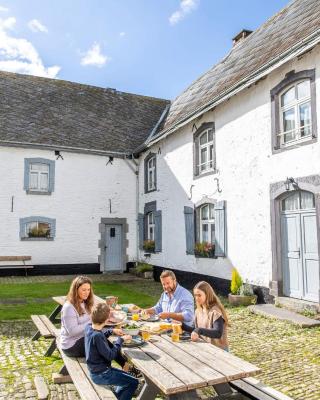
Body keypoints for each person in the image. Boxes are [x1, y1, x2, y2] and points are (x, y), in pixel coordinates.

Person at [85, 303, 139, 400]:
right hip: (102, 374)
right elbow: (110, 355)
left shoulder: (89, 327)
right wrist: (120, 340)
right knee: (133, 382)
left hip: (97, 371)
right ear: (107, 320)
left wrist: (111, 331)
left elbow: (98, 339)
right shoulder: (98, 336)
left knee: (129, 377)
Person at [181, 281, 229, 351]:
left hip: (219, 350)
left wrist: (199, 330)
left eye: (199, 295)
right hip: (206, 348)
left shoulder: (215, 311)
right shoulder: (198, 310)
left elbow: (218, 333)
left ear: (207, 294)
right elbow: (195, 330)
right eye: (195, 295)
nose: (196, 298)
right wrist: (181, 326)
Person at [60, 275, 94, 357]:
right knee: (103, 346)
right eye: (84, 290)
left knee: (106, 341)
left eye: (88, 290)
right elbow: (72, 332)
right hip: (71, 345)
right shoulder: (69, 307)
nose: (87, 293)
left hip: (83, 338)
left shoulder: (85, 302)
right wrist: (92, 322)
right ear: (76, 290)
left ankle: (126, 366)